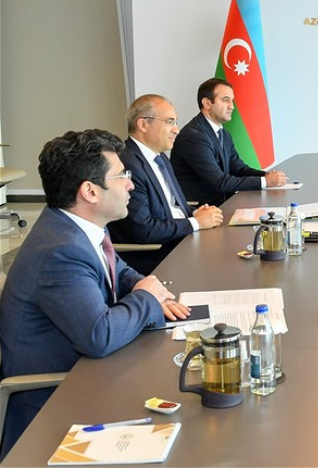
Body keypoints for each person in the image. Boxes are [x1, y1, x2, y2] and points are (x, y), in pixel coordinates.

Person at [0, 130, 190, 459]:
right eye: (122, 176)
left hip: (88, 372)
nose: (131, 185)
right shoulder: (60, 250)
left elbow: (117, 268)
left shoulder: (75, 224)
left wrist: (148, 287)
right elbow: (98, 336)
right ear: (90, 191)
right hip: (54, 401)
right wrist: (147, 298)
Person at [107, 94, 224, 274]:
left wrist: (197, 213)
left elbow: (172, 207)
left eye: (176, 122)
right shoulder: (127, 164)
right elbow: (144, 230)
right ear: (143, 124)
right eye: (170, 122)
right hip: (159, 255)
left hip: (181, 240)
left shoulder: (160, 157)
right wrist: (195, 222)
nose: (176, 130)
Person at [171, 78, 286, 206]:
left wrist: (266, 175)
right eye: (226, 100)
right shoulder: (194, 136)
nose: (232, 106)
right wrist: (265, 181)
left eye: (232, 101)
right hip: (199, 209)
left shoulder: (223, 134)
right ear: (207, 103)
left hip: (220, 203)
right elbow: (220, 182)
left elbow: (239, 169)